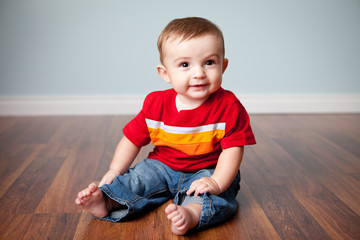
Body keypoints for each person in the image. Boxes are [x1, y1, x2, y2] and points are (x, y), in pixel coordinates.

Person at [75, 17, 256, 236]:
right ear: (165, 73)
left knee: (213, 195)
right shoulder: (156, 104)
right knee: (138, 178)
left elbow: (233, 151)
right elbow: (132, 140)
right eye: (184, 65)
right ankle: (107, 201)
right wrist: (115, 170)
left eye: (209, 62)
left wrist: (216, 182)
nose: (198, 73)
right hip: (162, 165)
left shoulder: (229, 107)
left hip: (207, 168)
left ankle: (191, 213)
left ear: (223, 65)